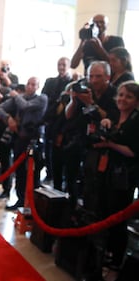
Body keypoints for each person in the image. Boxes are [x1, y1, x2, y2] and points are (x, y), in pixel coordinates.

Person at [85, 81, 139, 281]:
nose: (123, 99)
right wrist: (105, 124)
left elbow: (133, 152)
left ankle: (115, 263)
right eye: (121, 95)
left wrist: (110, 143)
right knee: (103, 215)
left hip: (124, 177)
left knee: (118, 221)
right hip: (105, 173)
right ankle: (101, 258)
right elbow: (106, 132)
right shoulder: (115, 115)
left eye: (129, 96)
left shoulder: (136, 120)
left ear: (136, 101)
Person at [65, 60, 119, 209]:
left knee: (93, 183)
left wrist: (91, 104)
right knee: (71, 174)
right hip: (81, 138)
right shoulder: (85, 90)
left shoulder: (115, 94)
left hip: (100, 145)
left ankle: (92, 213)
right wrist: (74, 99)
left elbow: (112, 118)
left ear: (107, 77)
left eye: (98, 76)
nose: (93, 80)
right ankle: (72, 207)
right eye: (91, 76)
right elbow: (68, 115)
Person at [0, 77, 48, 210]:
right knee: (20, 172)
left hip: (35, 140)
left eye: (33, 84)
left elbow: (26, 106)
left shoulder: (41, 98)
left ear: (37, 86)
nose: (29, 87)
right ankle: (20, 199)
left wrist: (16, 96)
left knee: (33, 174)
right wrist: (8, 118)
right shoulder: (19, 98)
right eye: (28, 84)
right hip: (20, 138)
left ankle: (34, 203)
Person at [41, 57, 73, 183]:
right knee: (48, 149)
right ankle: (50, 173)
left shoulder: (72, 82)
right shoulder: (50, 81)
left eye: (64, 64)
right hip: (51, 119)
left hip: (64, 122)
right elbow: (45, 99)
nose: (61, 67)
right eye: (59, 64)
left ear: (69, 66)